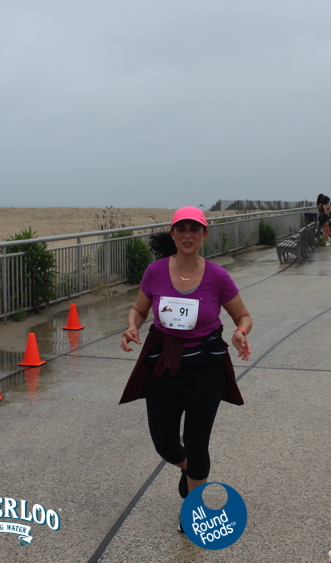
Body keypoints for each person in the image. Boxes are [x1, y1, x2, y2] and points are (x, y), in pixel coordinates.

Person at [119, 206, 252, 531]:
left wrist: (240, 332)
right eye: (182, 229)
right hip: (164, 366)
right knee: (164, 442)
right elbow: (138, 309)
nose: (188, 235)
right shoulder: (155, 272)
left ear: (205, 234)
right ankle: (188, 468)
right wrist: (133, 325)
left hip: (206, 368)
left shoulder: (218, 277)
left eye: (194, 229)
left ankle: (194, 508)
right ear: (173, 233)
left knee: (197, 440)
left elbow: (243, 316)